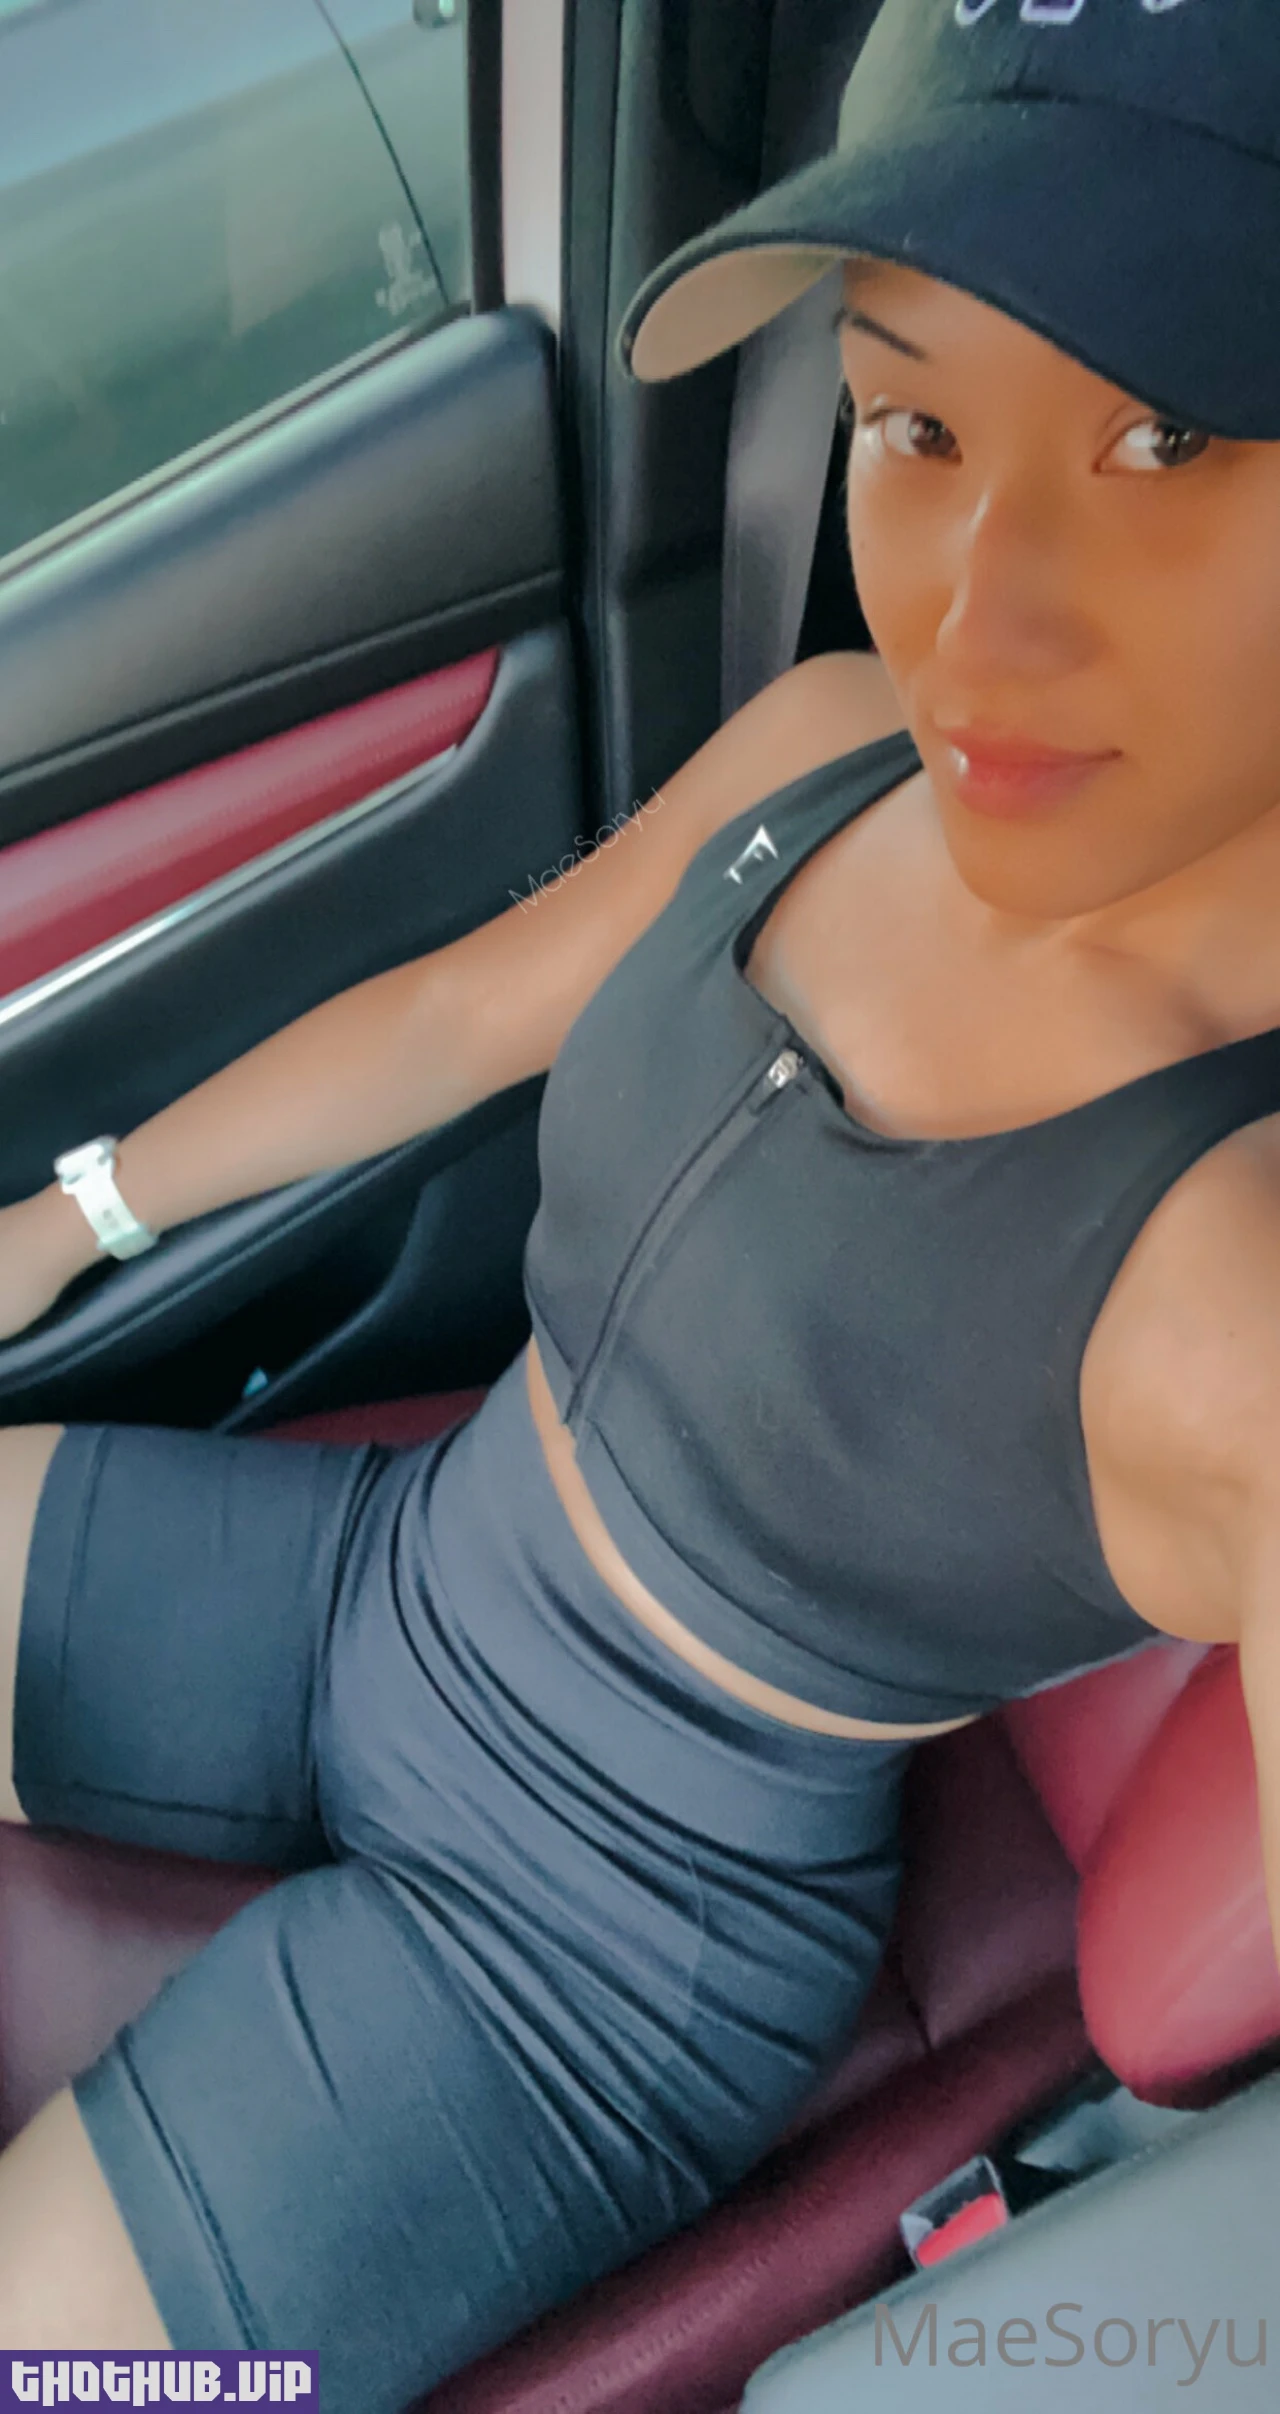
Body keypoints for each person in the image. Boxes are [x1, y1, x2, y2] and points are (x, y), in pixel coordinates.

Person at [2, 0, 1280, 2402]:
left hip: (594, 1938)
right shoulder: (833, 749)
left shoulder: (1241, 1276)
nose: (977, 611)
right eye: (916, 422)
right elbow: (459, 1012)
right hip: (384, 1575)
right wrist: (61, 1221)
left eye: (1166, 437)